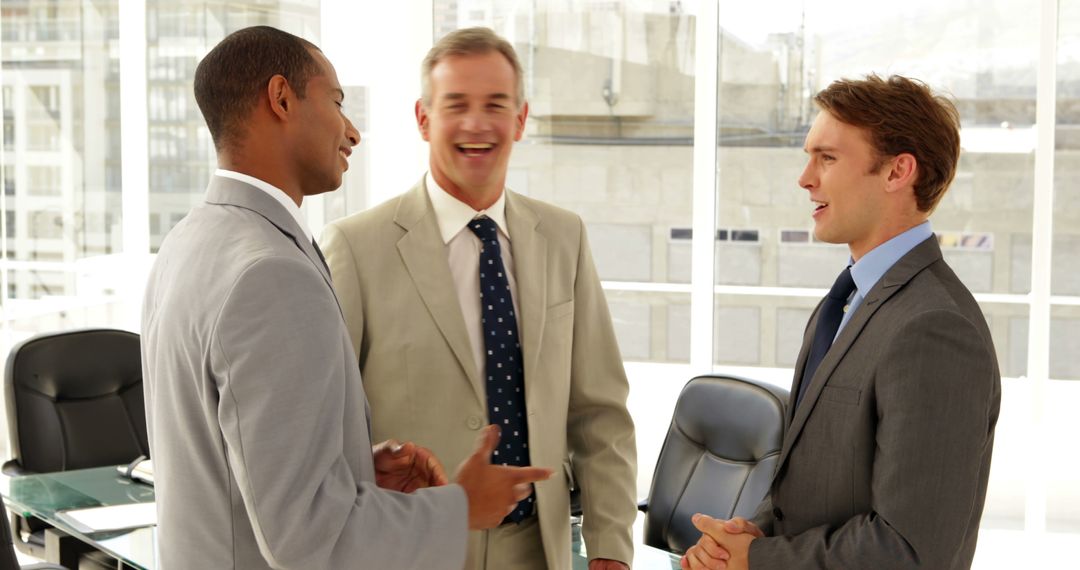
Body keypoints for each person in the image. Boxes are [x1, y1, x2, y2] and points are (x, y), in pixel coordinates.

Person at [141, 25, 551, 570]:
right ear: (281, 98)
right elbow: (308, 537)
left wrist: (353, 470)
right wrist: (459, 506)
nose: (352, 131)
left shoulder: (190, 242)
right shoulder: (271, 274)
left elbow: (230, 465)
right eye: (336, 101)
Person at [320, 27, 637, 570]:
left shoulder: (564, 237)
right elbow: (324, 426)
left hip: (541, 549)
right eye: (456, 105)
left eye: (495, 104)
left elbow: (599, 414)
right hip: (410, 551)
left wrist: (611, 548)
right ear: (423, 118)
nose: (476, 123)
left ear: (520, 118)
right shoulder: (354, 246)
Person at [681, 75, 1001, 570]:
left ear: (898, 172)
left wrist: (760, 558)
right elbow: (811, 490)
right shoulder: (845, 303)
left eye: (827, 158)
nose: (805, 178)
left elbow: (910, 550)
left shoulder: (935, 328)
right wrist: (748, 535)